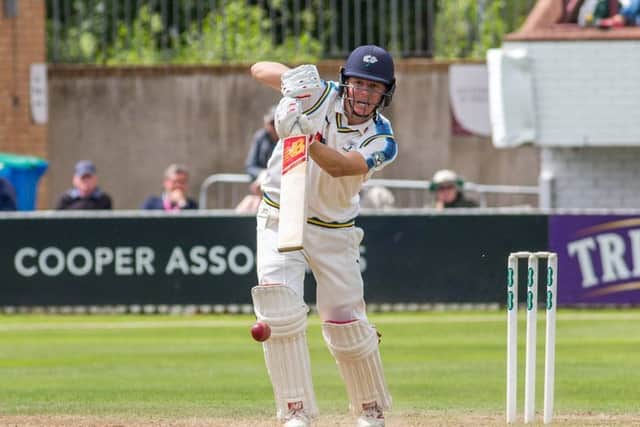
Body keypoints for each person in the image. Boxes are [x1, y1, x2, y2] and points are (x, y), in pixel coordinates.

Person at [250, 44, 397, 427]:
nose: (364, 94)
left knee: (345, 324)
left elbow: (342, 167)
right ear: (345, 82)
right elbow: (257, 68)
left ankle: (370, 410)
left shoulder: (382, 138)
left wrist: (305, 141)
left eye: (374, 88)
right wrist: (289, 79)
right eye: (359, 84)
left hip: (334, 231)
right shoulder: (318, 94)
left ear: (385, 93)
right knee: (279, 310)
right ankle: (295, 412)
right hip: (281, 214)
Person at [236, 106, 279, 213]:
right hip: (263, 187)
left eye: (277, 123)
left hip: (280, 187)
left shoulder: (289, 138)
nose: (274, 127)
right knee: (245, 208)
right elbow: (250, 166)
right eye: (272, 123)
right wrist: (263, 174)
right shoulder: (261, 137)